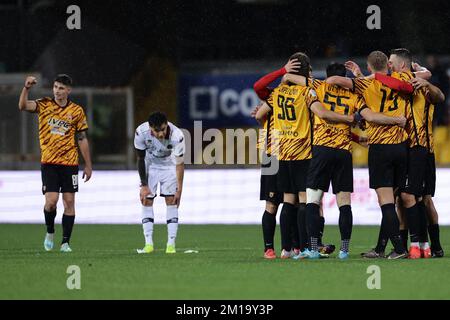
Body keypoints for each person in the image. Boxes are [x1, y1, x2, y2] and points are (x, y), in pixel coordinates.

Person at [281, 62, 398, 259]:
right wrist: (356, 120)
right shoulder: (354, 96)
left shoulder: (318, 86)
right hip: (343, 153)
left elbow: (291, 79)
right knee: (344, 204)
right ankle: (344, 250)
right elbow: (367, 116)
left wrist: (286, 73)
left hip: (322, 151)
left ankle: (312, 249)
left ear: (327, 75)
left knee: (313, 201)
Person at [256, 52, 354, 260]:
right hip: (303, 151)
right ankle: (305, 246)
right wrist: (350, 121)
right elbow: (323, 116)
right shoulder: (308, 92)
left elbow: (258, 112)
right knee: (305, 202)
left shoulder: (277, 93)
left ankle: (283, 249)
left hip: (278, 153)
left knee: (284, 201)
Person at [327, 51, 410, 259]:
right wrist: (363, 75)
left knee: (386, 203)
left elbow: (333, 80)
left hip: (381, 148)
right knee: (392, 201)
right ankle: (382, 248)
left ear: (369, 66)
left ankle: (400, 249)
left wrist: (358, 78)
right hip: (401, 146)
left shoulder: (364, 85)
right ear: (387, 66)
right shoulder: (399, 79)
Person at [18, 74, 92, 253]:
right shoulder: (44, 105)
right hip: (49, 163)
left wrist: (88, 164)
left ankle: (65, 243)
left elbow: (81, 138)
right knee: (51, 202)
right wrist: (26, 88)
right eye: (55, 87)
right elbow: (22, 106)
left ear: (68, 90)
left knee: (69, 202)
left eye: (61, 88)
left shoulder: (76, 111)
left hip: (70, 163)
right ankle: (50, 231)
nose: (57, 91)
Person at [251, 58, 301, 259]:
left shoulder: (302, 96)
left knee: (294, 202)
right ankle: (269, 248)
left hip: (293, 152)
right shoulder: (274, 95)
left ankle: (293, 246)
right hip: (273, 153)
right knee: (273, 203)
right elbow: (258, 86)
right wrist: (283, 70)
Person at [135, 111, 185, 254]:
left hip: (169, 166)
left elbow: (180, 163)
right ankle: (148, 244)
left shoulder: (177, 136)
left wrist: (179, 189)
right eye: (156, 131)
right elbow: (140, 158)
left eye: (163, 129)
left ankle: (171, 245)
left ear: (166, 124)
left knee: (171, 200)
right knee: (146, 201)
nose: (160, 134)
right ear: (150, 128)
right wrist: (143, 185)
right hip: (150, 165)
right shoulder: (141, 132)